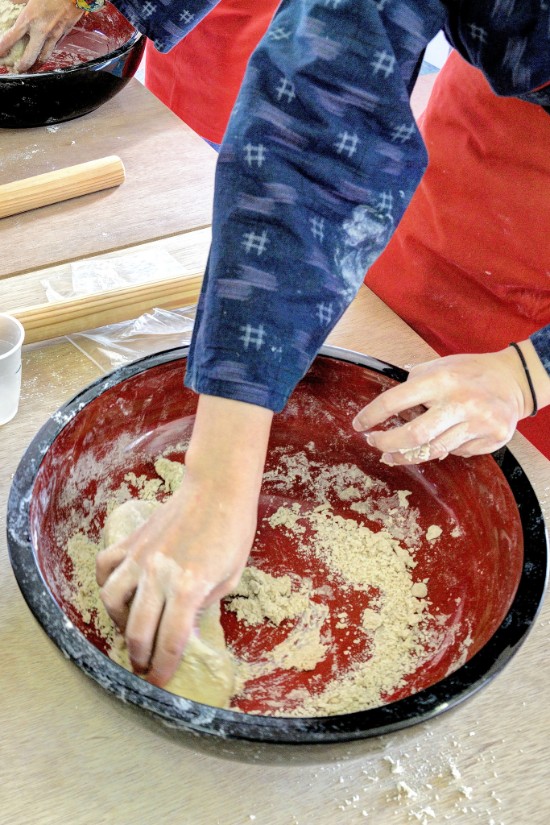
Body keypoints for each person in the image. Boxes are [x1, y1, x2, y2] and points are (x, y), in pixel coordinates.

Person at [2, 1, 549, 690]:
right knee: (389, 363)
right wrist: (216, 476)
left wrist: (530, 370)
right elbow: (318, 112)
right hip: (483, 166)